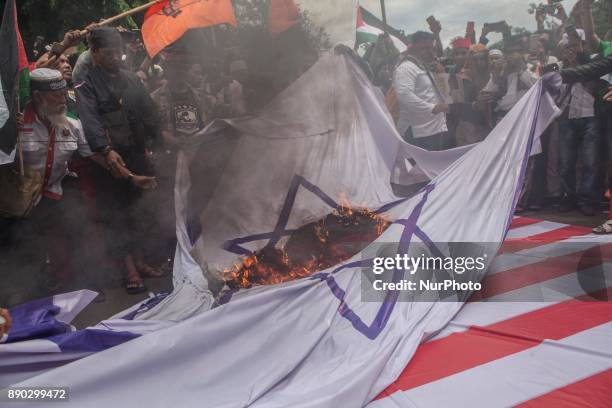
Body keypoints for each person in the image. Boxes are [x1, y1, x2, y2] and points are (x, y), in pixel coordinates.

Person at [75, 27, 161, 294]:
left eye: (119, 52)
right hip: (109, 160)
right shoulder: (85, 84)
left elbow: (149, 113)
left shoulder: (131, 80)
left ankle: (142, 261)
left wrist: (160, 138)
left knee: (139, 212)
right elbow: (90, 121)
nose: (115, 57)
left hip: (137, 155)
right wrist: (105, 149)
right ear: (95, 53)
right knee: (118, 216)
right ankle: (130, 271)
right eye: (108, 53)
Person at [556, 30, 606, 216]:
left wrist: (578, 65)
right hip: (567, 118)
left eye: (575, 45)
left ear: (583, 45)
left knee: (590, 161)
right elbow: (557, 96)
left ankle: (586, 200)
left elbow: (594, 81)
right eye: (568, 47)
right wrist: (568, 68)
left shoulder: (595, 62)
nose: (571, 50)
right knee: (566, 163)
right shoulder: (559, 68)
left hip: (590, 117)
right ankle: (568, 197)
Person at [393, 31, 451, 151]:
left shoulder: (425, 67)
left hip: (436, 129)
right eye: (425, 49)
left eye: (432, 48)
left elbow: (442, 94)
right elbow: (404, 95)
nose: (431, 53)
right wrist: (432, 108)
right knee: (419, 169)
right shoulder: (405, 68)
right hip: (417, 133)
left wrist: (441, 74)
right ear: (414, 49)